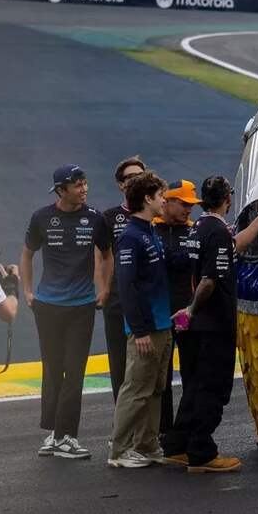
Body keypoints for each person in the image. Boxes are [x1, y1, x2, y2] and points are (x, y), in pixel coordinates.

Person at [164, 177, 258, 473]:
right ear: (227, 198)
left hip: (195, 325)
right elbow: (209, 279)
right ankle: (202, 452)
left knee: (193, 386)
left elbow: (233, 246)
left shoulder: (200, 228)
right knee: (212, 388)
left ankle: (177, 446)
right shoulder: (216, 232)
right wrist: (192, 309)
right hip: (212, 324)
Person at [20, 165, 112, 459]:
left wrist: (105, 289)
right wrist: (28, 291)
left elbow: (107, 254)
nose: (84, 189)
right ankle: (55, 433)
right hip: (48, 306)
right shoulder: (41, 217)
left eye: (85, 183)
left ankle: (64, 436)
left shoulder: (96, 218)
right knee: (52, 370)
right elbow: (27, 253)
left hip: (81, 306)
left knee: (74, 372)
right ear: (61, 190)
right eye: (77, 185)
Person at [108, 172, 174, 469]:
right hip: (146, 329)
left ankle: (146, 444)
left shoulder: (150, 232)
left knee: (156, 388)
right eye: (161, 196)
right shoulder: (131, 237)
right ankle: (119, 451)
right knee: (136, 389)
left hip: (162, 324)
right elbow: (126, 287)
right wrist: (140, 330)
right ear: (148, 199)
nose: (164, 201)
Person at [153, 180, 201, 434]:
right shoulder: (151, 229)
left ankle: (188, 428)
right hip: (160, 315)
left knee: (191, 370)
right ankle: (163, 430)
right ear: (167, 201)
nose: (188, 210)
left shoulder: (194, 232)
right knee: (162, 375)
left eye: (191, 205)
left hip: (185, 314)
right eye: (183, 204)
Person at [102, 156, 147, 401]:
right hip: (118, 303)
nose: (136, 180)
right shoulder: (109, 217)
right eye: (130, 177)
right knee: (119, 364)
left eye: (140, 174)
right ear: (121, 184)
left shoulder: (155, 213)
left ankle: (151, 431)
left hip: (148, 302)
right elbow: (100, 259)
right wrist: (103, 293)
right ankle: (120, 430)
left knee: (148, 368)